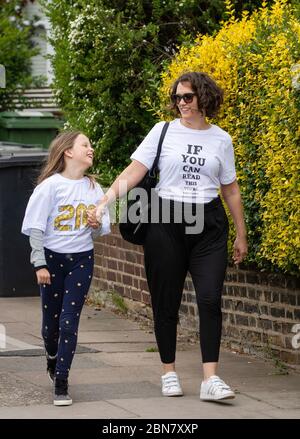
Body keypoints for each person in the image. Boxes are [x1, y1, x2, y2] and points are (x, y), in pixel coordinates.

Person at [88, 71, 248, 401]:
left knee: (209, 297)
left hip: (208, 222)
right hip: (166, 218)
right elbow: (135, 171)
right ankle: (169, 371)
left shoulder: (222, 139)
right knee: (166, 300)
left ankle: (210, 379)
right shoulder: (162, 131)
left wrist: (241, 234)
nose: (181, 103)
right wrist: (105, 201)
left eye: (187, 97)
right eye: (177, 98)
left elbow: (230, 189)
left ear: (204, 97)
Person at [21, 131, 110, 406]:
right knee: (51, 327)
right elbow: (35, 227)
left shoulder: (94, 188)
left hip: (81, 260)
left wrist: (96, 225)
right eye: (85, 144)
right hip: (51, 261)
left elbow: (103, 229)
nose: (91, 148)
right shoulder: (50, 187)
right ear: (68, 152)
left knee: (69, 322)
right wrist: (40, 263)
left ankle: (61, 381)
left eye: (91, 144)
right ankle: (51, 357)